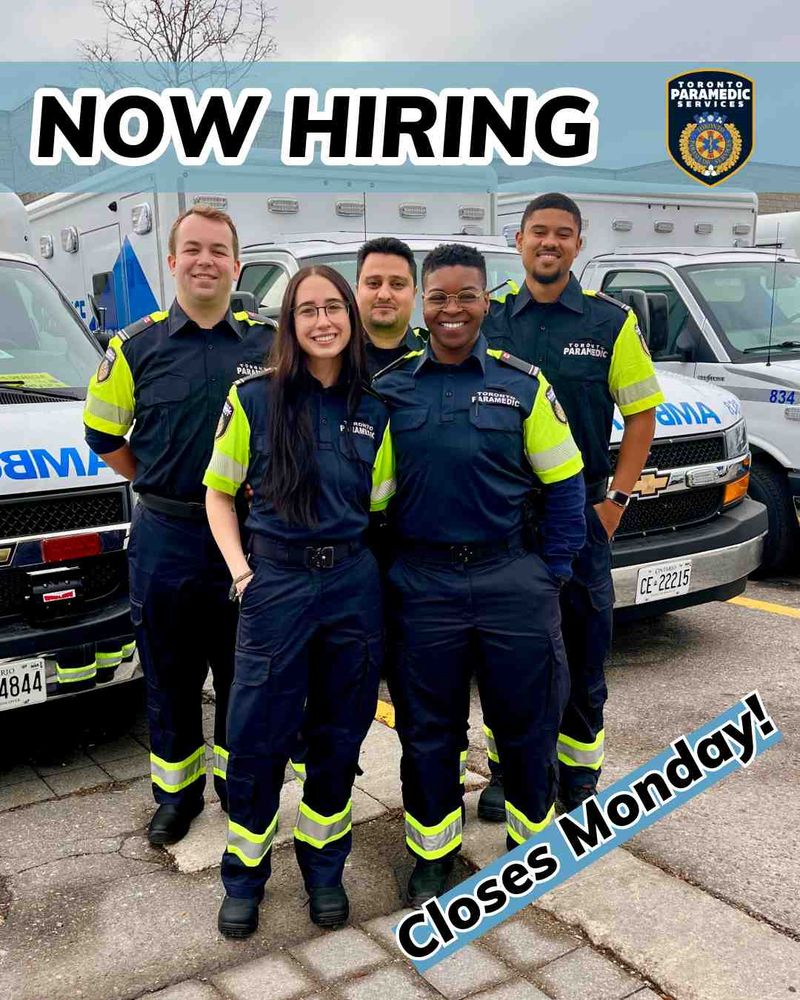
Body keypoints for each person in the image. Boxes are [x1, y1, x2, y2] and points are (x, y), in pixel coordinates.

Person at [374, 243, 586, 904]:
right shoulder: (389, 388)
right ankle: (435, 854)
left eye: (466, 295)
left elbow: (567, 485)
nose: (452, 309)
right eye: (438, 296)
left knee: (526, 725)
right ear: (422, 305)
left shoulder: (523, 384)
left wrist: (549, 574)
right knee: (427, 732)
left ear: (486, 299)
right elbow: (370, 501)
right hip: (422, 587)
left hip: (510, 581)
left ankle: (529, 846)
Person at [204, 265, 394, 938]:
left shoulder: (373, 409)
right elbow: (218, 493)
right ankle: (245, 877)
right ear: (290, 322)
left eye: (333, 308)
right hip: (275, 585)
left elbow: (379, 503)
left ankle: (323, 867)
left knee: (340, 735)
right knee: (256, 739)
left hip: (350, 584)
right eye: (308, 309)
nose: (322, 320)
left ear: (350, 318)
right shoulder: (254, 400)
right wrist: (242, 573)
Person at [83, 206, 274, 846]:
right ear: (172, 261)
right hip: (166, 534)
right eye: (192, 249)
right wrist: (154, 477)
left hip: (246, 539)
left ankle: (236, 788)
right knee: (169, 674)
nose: (204, 261)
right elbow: (102, 433)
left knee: (242, 673)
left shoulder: (267, 346)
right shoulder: (135, 347)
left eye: (218, 250)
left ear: (236, 264)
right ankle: (177, 793)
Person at [479, 192, 665, 820]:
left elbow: (642, 413)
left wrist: (616, 499)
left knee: (584, 648)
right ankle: (507, 771)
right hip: (505, 518)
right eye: (538, 232)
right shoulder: (492, 317)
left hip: (582, 515)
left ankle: (580, 777)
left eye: (562, 234)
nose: (549, 243)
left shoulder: (610, 322)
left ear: (578, 245)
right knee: (509, 654)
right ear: (519, 241)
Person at [355, 236, 426, 376]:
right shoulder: (333, 359)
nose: (384, 295)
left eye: (397, 284)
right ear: (357, 291)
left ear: (414, 294)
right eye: (374, 283)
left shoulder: (437, 358)